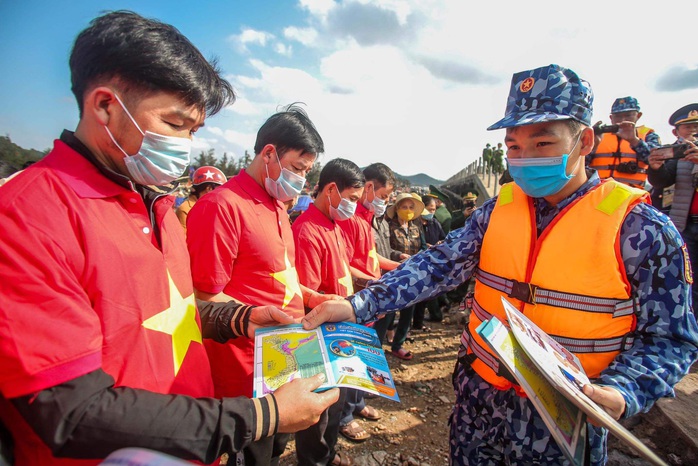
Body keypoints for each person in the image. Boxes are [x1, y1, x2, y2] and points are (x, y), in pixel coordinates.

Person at [302, 64, 698, 466]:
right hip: (479, 403)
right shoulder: (495, 213)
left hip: (562, 422)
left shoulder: (641, 229)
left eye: (542, 143)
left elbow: (671, 338)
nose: (523, 158)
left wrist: (623, 390)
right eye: (513, 147)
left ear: (585, 140)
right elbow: (437, 265)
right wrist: (358, 305)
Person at [0, 11, 338, 466]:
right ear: (104, 106)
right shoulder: (27, 216)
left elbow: (167, 311)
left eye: (194, 131)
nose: (185, 144)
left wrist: (240, 319)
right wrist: (259, 416)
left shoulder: (154, 204)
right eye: (175, 125)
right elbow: (72, 413)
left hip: (188, 438)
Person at [186, 104, 341, 465]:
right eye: (298, 168)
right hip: (245, 371)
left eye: (306, 171)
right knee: (252, 455)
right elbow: (203, 296)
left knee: (275, 448)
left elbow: (279, 277)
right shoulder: (221, 206)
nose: (301, 180)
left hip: (285, 358)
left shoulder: (276, 207)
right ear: (269, 154)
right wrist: (251, 318)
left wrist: (314, 296)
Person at [291, 158, 365, 466]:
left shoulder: (334, 225)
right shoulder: (307, 230)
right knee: (319, 411)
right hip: (321, 337)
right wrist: (333, 300)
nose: (353, 207)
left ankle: (327, 452)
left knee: (337, 403)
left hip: (340, 330)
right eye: (351, 199)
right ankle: (315, 459)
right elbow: (304, 295)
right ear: (331, 190)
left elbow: (339, 268)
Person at [336, 162, 396, 445]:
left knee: (368, 354)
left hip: (371, 299)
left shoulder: (368, 217)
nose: (385, 203)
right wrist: (374, 286)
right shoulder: (350, 217)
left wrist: (398, 266)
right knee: (352, 358)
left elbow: (371, 256)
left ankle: (357, 403)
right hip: (359, 299)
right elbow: (345, 263)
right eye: (383, 196)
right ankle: (344, 416)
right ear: (369, 188)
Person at [647, 103, 698, 313]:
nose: (693, 130)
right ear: (676, 132)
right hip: (684, 225)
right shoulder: (675, 155)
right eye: (688, 127)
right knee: (688, 277)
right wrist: (655, 168)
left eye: (696, 125)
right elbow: (662, 182)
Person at [384, 192, 426, 360]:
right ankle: (382, 339)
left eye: (410, 207)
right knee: (389, 311)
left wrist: (422, 255)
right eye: (404, 207)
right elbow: (386, 249)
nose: (407, 210)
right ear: (397, 208)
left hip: (413, 275)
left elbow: (422, 246)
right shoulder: (389, 226)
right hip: (393, 274)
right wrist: (399, 256)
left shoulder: (416, 227)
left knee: (408, 312)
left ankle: (398, 344)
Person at [587, 96, 661, 189]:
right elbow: (580, 164)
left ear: (638, 115)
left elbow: (655, 161)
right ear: (611, 117)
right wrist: (591, 144)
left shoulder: (648, 135)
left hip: (632, 196)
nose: (623, 120)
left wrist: (634, 141)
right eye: (617, 116)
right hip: (598, 193)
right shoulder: (599, 135)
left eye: (628, 115)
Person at [175, 165, 226, 235]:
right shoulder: (185, 209)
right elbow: (183, 240)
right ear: (209, 188)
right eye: (219, 189)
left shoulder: (210, 207)